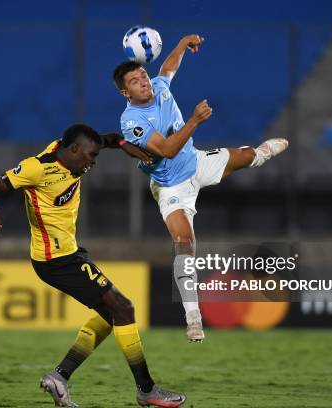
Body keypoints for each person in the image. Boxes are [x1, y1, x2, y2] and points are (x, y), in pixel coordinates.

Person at [0, 124, 186, 408]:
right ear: (74, 150)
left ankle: (59, 376)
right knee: (123, 308)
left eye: (96, 156)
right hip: (55, 260)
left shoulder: (75, 149)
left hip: (71, 253)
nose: (93, 162)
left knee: (110, 314)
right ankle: (146, 390)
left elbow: (111, 138)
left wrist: (125, 145)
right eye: (90, 156)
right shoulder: (37, 168)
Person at [114, 35, 289, 342]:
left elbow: (168, 69)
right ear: (124, 92)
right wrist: (194, 121)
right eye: (135, 81)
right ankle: (193, 316)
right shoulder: (132, 121)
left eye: (143, 75)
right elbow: (166, 150)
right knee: (185, 242)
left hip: (196, 163)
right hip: (171, 186)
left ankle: (260, 155)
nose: (144, 82)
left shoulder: (160, 87)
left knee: (248, 155)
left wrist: (181, 45)